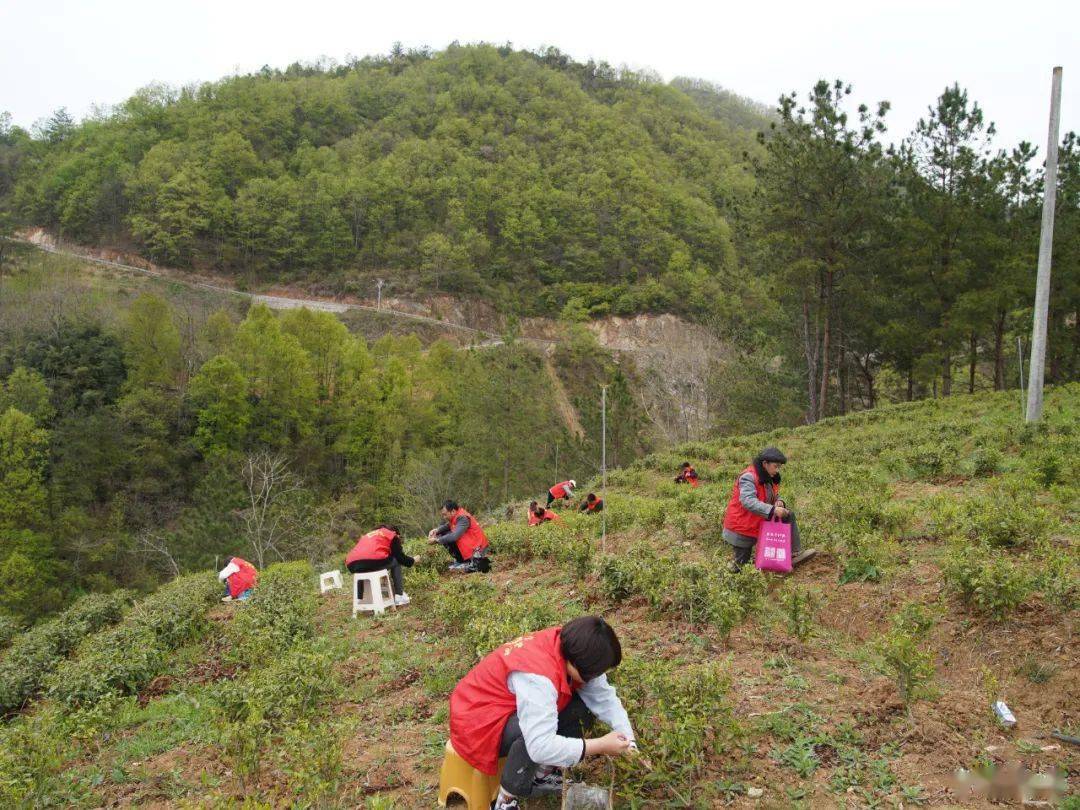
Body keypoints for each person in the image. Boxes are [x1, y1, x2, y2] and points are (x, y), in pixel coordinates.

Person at [449, 615, 638, 810]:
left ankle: (541, 775)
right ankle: (505, 802)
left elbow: (604, 698)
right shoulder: (538, 676)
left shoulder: (571, 645)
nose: (597, 678)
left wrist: (629, 740)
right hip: (476, 722)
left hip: (500, 706)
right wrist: (600, 745)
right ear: (577, 664)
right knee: (531, 734)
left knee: (580, 709)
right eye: (594, 674)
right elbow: (539, 745)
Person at [722, 447, 816, 570]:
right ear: (765, 464)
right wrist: (772, 510)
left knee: (788, 515)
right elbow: (748, 501)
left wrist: (779, 501)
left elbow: (773, 495)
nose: (777, 470)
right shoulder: (748, 477)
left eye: (779, 467)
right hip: (741, 527)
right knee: (740, 565)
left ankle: (794, 553)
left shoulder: (768, 477)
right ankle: (729, 576)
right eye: (775, 466)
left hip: (757, 522)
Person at [345, 524, 414, 607]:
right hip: (371, 561)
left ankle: (360, 598)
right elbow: (401, 558)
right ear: (396, 533)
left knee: (362, 568)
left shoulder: (369, 535)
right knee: (396, 561)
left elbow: (363, 554)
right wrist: (413, 560)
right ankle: (399, 595)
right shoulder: (392, 535)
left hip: (352, 563)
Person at [429, 500, 491, 573]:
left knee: (449, 537)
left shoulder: (463, 518)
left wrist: (437, 540)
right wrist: (436, 530)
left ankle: (466, 561)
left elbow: (454, 536)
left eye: (445, 514)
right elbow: (449, 525)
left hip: (478, 549)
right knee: (442, 533)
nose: (444, 517)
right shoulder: (457, 515)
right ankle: (461, 561)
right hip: (473, 546)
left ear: (453, 511)